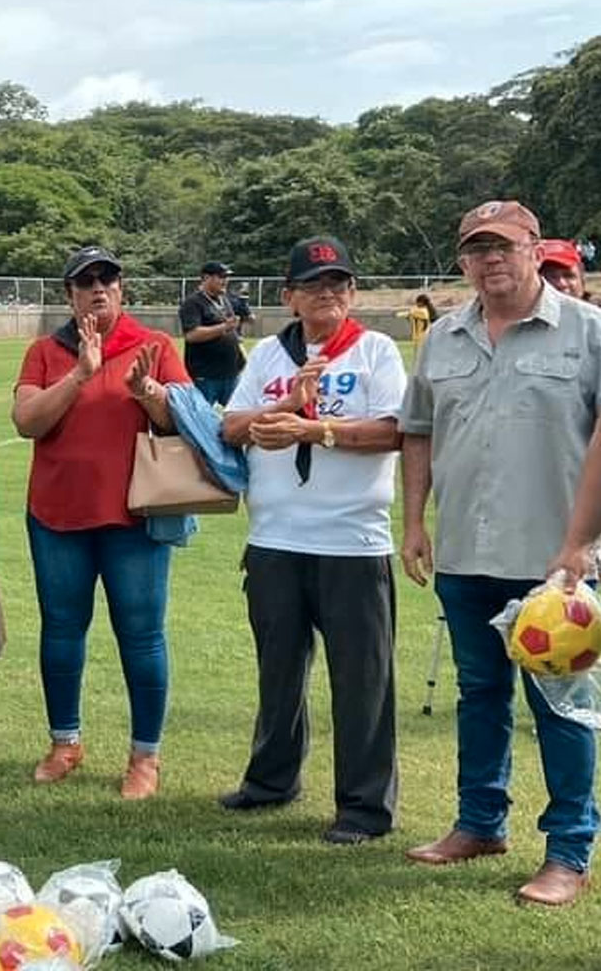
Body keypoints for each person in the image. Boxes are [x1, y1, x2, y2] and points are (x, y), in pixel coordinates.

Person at [400, 200, 601, 906]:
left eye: (503, 247)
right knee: (479, 695)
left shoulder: (586, 331)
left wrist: (579, 543)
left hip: (556, 563)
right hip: (465, 552)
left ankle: (568, 852)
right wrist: (415, 522)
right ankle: (479, 822)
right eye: (476, 249)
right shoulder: (444, 338)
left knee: (561, 706)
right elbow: (418, 430)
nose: (490, 260)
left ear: (533, 247)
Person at [219, 236, 405, 844]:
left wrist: (316, 427)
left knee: (362, 681)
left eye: (338, 284)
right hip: (276, 537)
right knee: (278, 672)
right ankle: (272, 780)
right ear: (289, 295)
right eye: (313, 285)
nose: (327, 294)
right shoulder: (270, 355)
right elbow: (232, 423)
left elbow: (392, 430)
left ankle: (364, 807)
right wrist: (276, 419)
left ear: (352, 293)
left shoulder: (375, 350)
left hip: (352, 540)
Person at [13, 246, 190, 797]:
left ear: (122, 290)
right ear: (68, 295)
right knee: (62, 631)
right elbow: (26, 421)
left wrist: (149, 393)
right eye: (85, 282)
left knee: (141, 635)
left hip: (134, 519)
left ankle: (145, 757)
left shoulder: (155, 346)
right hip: (57, 515)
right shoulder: (46, 351)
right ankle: (65, 741)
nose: (97, 289)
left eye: (107, 280)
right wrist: (80, 375)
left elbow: (185, 423)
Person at [179, 261, 244, 406]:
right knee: (202, 419)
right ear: (206, 278)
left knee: (237, 414)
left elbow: (230, 330)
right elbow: (192, 334)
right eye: (221, 277)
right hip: (206, 375)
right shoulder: (193, 303)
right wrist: (223, 327)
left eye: (226, 277)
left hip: (231, 373)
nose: (225, 281)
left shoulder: (224, 299)